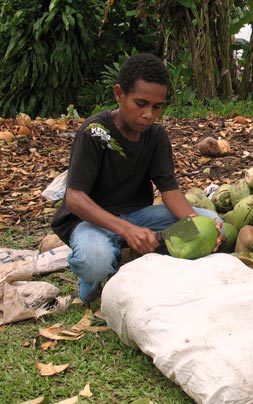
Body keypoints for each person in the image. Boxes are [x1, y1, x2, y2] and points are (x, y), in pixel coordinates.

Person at [51, 53, 222, 305]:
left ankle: (137, 259)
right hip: (91, 220)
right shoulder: (95, 133)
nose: (148, 114)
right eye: (140, 103)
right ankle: (93, 281)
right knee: (94, 262)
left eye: (157, 106)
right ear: (119, 93)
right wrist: (126, 230)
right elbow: (75, 199)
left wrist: (196, 225)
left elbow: (170, 190)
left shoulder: (156, 136)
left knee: (212, 221)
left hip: (137, 216)